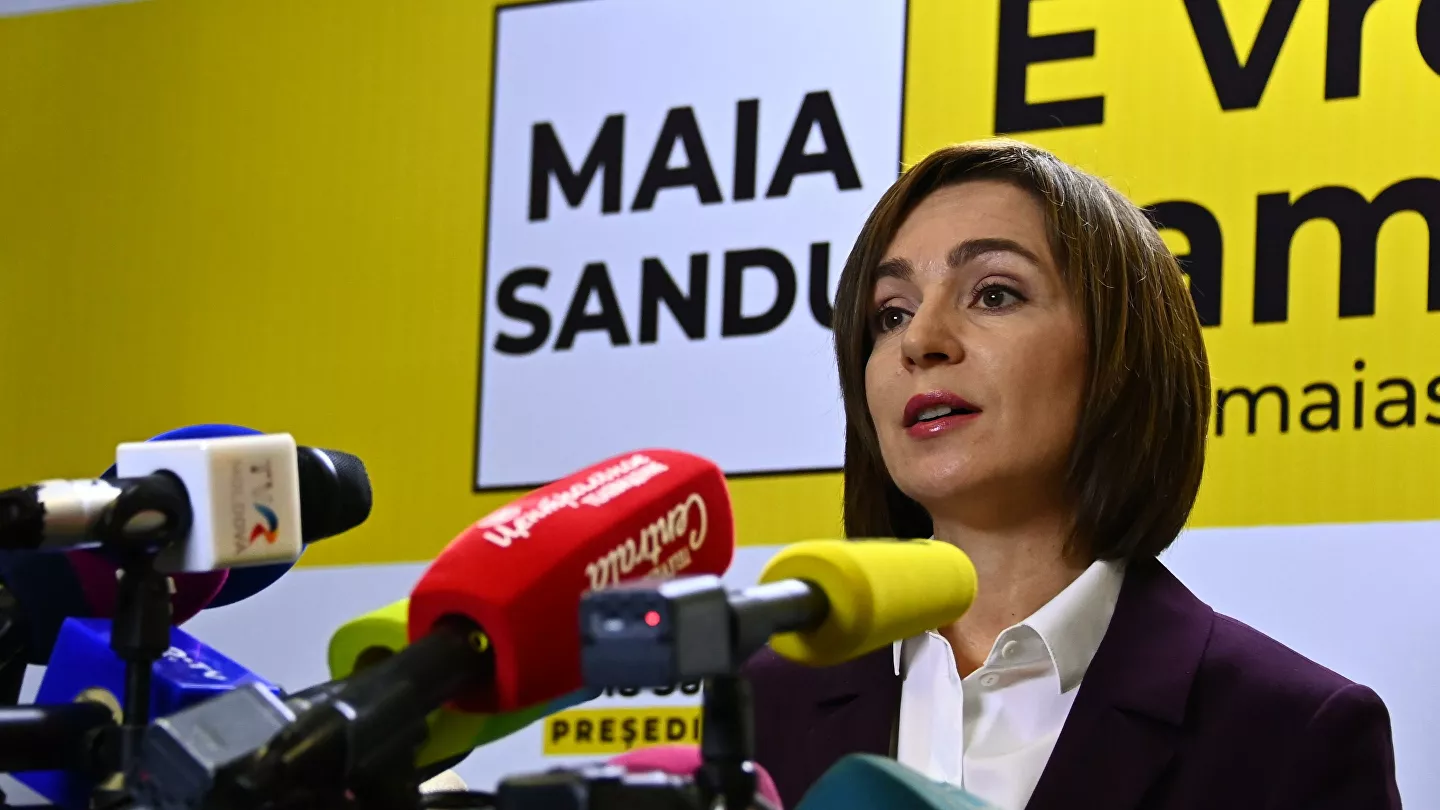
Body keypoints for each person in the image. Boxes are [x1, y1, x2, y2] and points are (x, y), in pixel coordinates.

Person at [741, 139, 1402, 810]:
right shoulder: (766, 700)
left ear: (1119, 355)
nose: (920, 341)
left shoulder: (1292, 733)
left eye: (994, 294)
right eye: (892, 313)